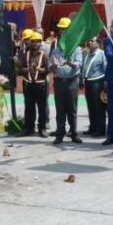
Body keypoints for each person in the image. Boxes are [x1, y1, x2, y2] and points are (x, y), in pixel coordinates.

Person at [49, 17, 83, 145]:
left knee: (72, 109)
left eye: (64, 29)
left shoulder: (76, 48)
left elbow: (79, 64)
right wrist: (52, 66)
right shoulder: (57, 48)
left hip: (72, 81)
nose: (61, 31)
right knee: (60, 109)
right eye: (60, 29)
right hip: (59, 81)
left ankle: (73, 133)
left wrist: (70, 63)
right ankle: (60, 134)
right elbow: (50, 64)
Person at [20, 32, 49, 137]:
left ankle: (42, 128)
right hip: (29, 84)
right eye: (33, 41)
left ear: (40, 43)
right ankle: (29, 128)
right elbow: (21, 68)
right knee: (29, 108)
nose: (35, 43)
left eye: (37, 41)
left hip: (41, 85)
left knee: (42, 108)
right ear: (30, 42)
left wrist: (38, 69)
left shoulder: (44, 55)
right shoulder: (26, 54)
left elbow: (47, 70)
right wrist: (27, 69)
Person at [81, 37, 107, 137]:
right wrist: (81, 78)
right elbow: (84, 67)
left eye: (92, 41)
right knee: (91, 106)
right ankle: (93, 127)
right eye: (89, 40)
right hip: (88, 82)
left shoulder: (102, 54)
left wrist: (105, 83)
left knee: (99, 107)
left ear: (98, 43)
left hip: (98, 82)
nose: (89, 42)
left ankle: (100, 129)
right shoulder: (86, 54)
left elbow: (105, 68)